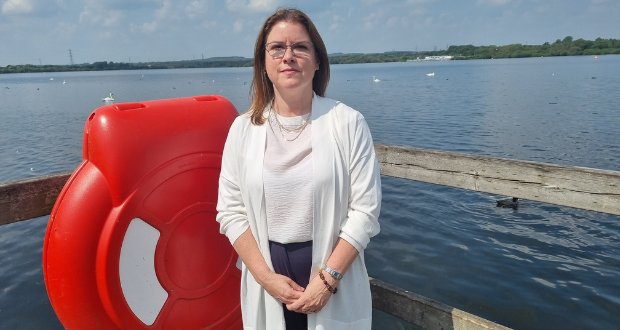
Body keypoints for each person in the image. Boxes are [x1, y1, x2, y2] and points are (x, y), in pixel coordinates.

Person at [216, 8, 381, 330]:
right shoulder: (242, 129)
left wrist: (327, 280)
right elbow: (230, 211)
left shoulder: (347, 122)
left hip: (333, 275)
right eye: (277, 48)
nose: (288, 56)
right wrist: (265, 277)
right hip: (267, 274)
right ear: (263, 63)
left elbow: (365, 211)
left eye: (300, 47)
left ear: (317, 60)